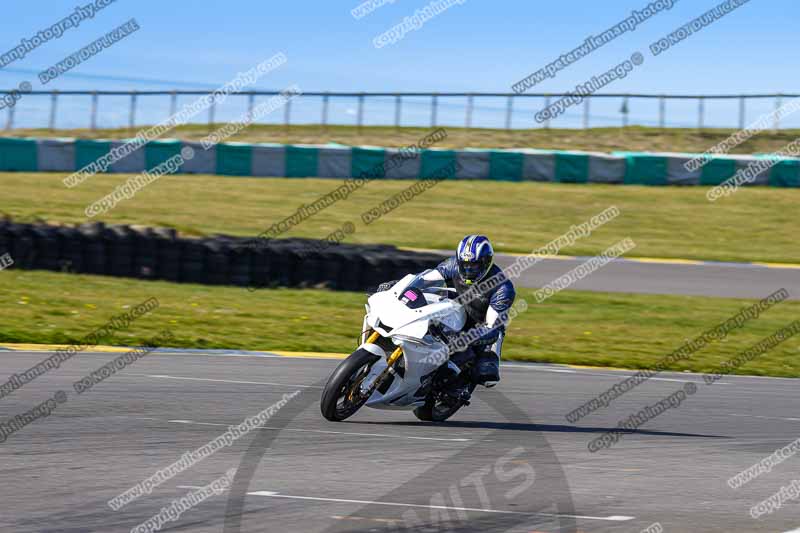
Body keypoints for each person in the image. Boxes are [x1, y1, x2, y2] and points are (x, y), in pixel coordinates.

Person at [377, 234, 515, 390]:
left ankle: (451, 390)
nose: (468, 269)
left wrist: (466, 337)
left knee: (485, 373)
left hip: (481, 327)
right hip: (456, 309)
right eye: (465, 265)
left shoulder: (502, 289)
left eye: (474, 265)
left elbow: (491, 327)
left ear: (486, 263)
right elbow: (424, 279)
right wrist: (397, 286)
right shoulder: (453, 265)